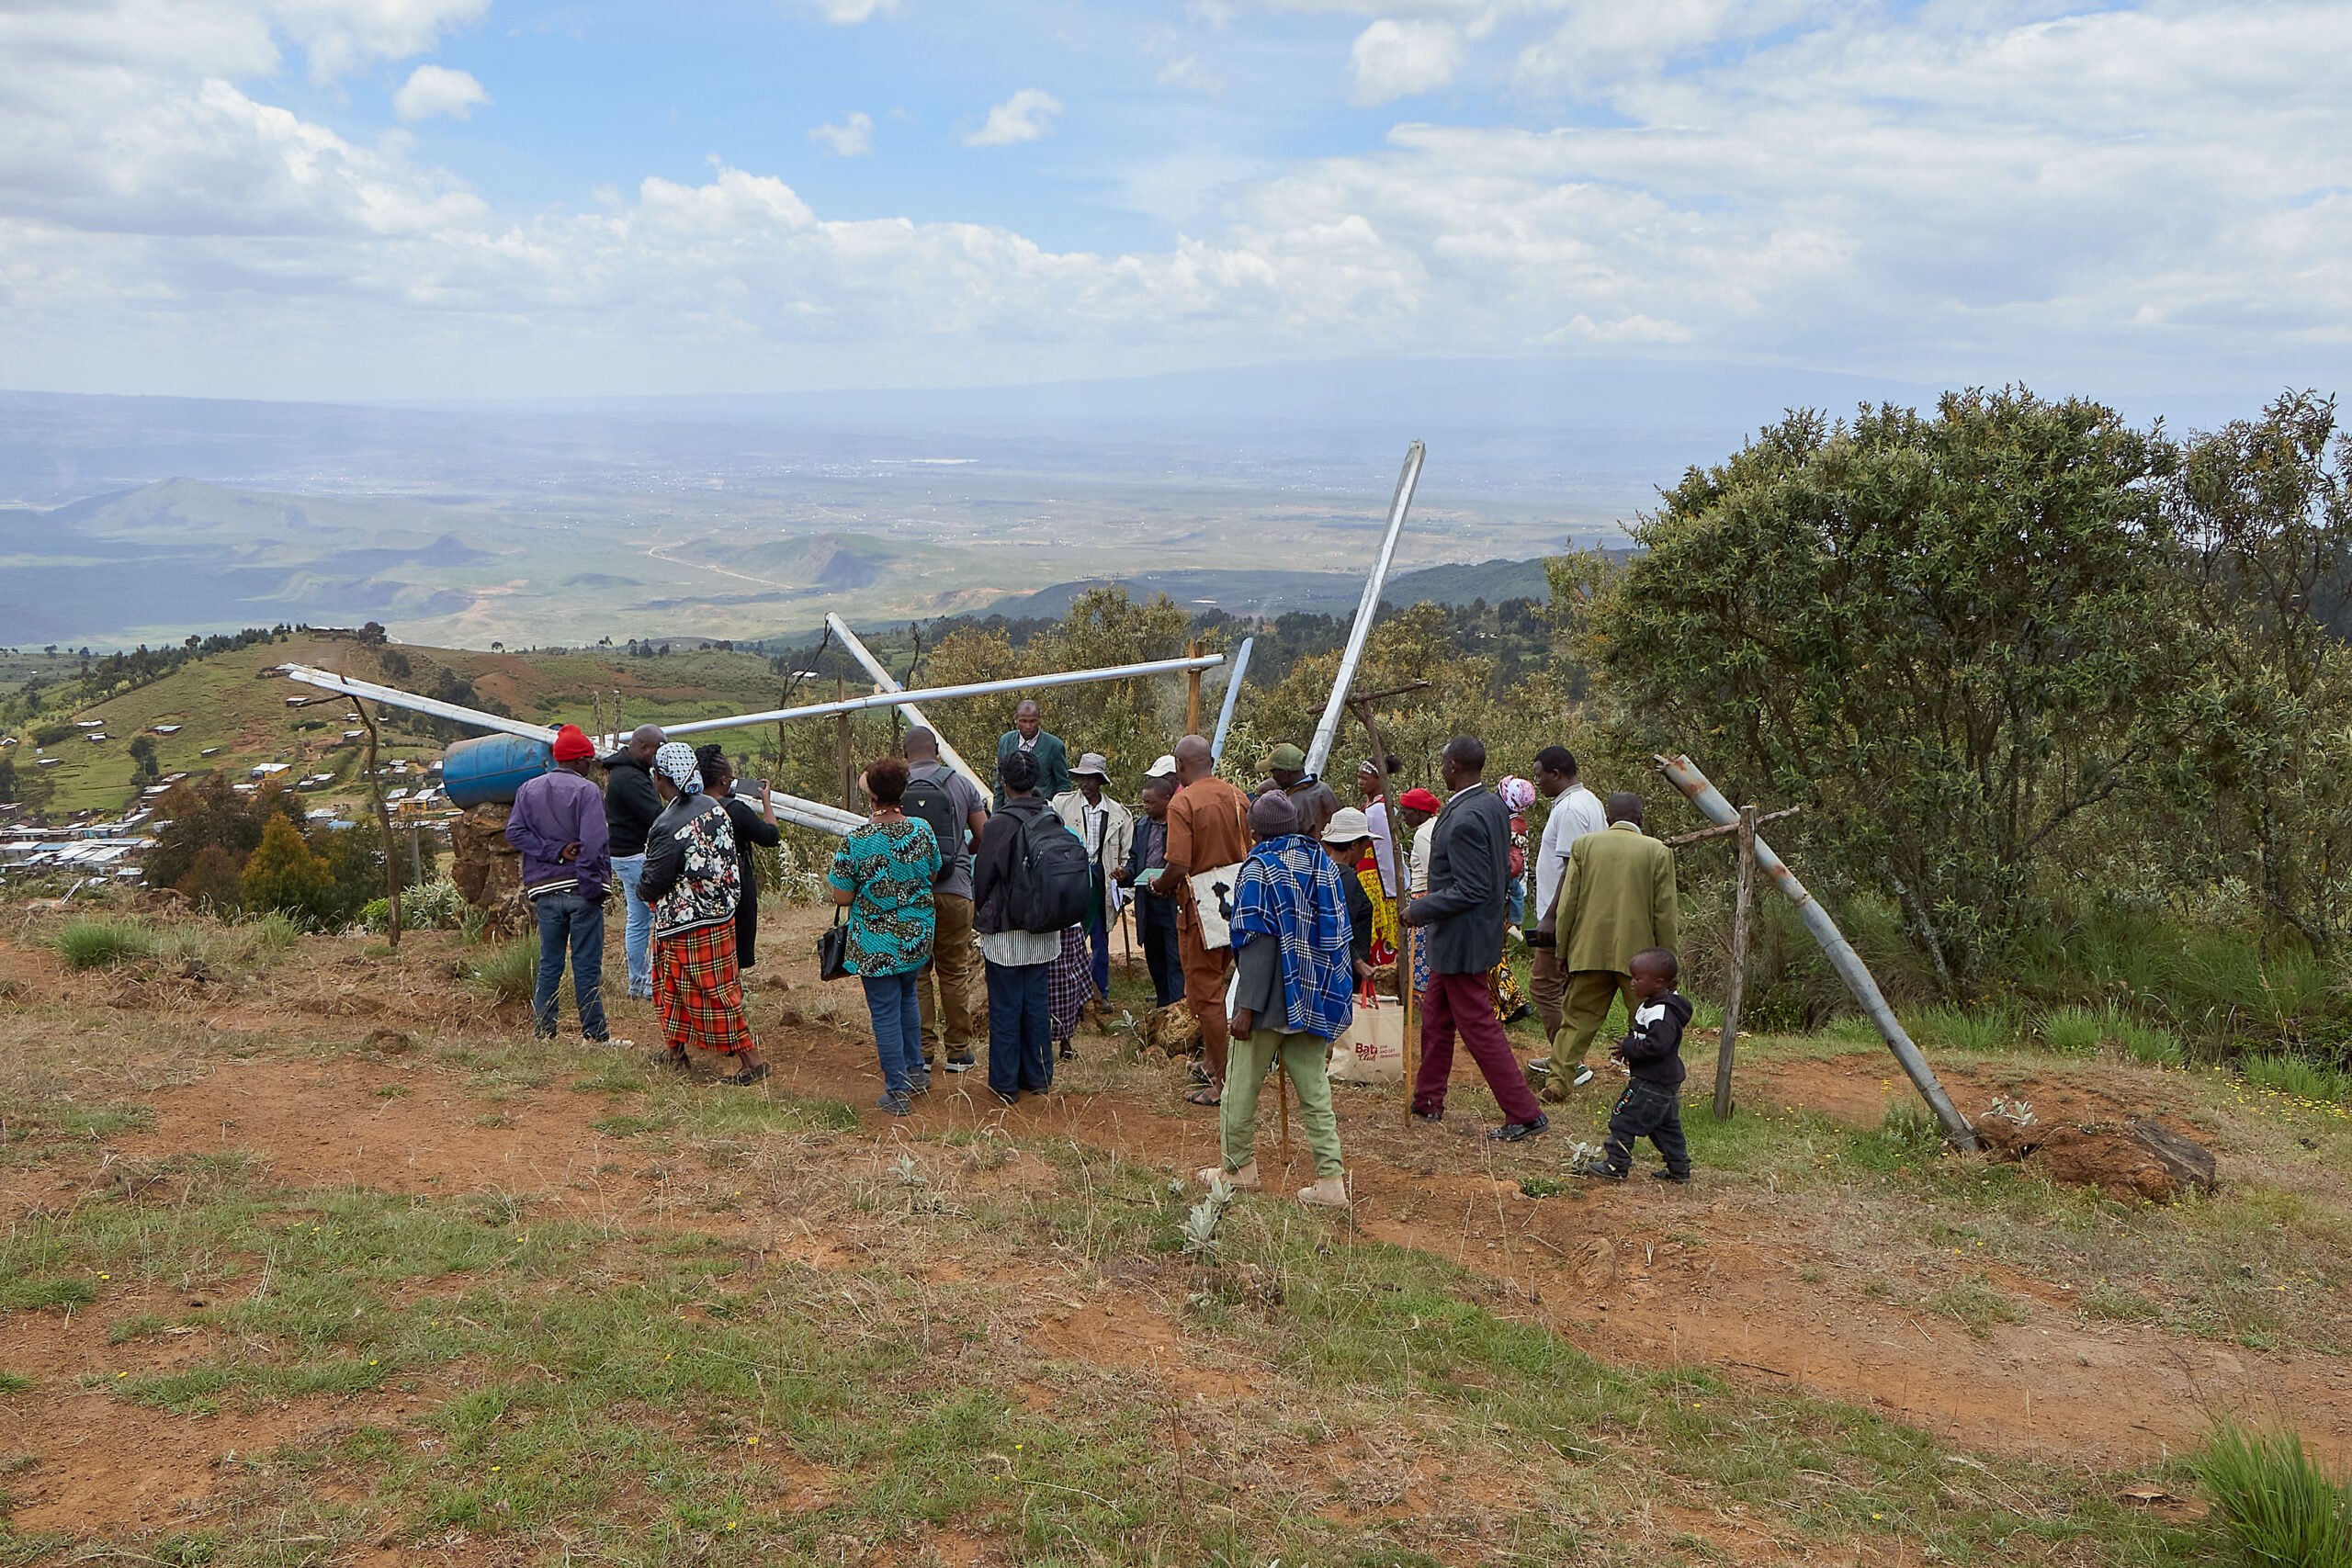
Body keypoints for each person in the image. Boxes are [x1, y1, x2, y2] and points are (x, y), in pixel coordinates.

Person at [1199, 790, 1353, 1208]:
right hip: (1314, 995)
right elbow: (1336, 933)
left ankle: (1237, 1168)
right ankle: (1331, 1181)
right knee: (1316, 1092)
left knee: (1239, 1088)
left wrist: (1245, 1008)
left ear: (1254, 831)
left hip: (1268, 1000)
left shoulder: (1259, 869)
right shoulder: (1321, 862)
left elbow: (1259, 944)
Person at [1400, 738, 1549, 1140]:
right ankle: (1427, 1100)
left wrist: (1421, 909)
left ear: (1453, 766)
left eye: (1444, 761)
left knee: (1480, 1027)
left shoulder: (1467, 817)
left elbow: (1471, 888)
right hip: (1469, 935)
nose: (1442, 768)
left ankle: (1523, 1113)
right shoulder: (1489, 805)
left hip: (1462, 939)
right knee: (1435, 1017)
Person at [1534, 791, 1680, 1090]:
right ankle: (1651, 1084)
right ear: (1640, 819)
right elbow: (1664, 914)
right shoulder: (1657, 852)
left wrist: (1562, 951)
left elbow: (1568, 904)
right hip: (1642, 964)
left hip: (1589, 953)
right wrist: (1669, 965)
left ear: (1609, 819)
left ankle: (1558, 1081)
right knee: (1648, 1021)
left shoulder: (1585, 846)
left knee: (1575, 1020)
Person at [639, 741, 766, 1086]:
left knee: (687, 989)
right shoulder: (713, 806)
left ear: (662, 776)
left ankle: (752, 1062)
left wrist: (642, 890)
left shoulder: (666, 824)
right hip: (721, 915)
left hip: (683, 925)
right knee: (709, 988)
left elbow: (652, 882)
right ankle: (675, 1052)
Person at [826, 757, 943, 1117]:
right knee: (909, 997)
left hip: (876, 943)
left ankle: (896, 1092)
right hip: (917, 936)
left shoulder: (857, 840)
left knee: (884, 1013)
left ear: (873, 796)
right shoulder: (921, 830)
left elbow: (842, 896)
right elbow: (935, 873)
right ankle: (914, 1071)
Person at [1155, 734, 1252, 1106]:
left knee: (1206, 995)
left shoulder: (1183, 802)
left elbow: (1178, 865)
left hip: (1202, 910)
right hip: (1241, 906)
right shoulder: (1236, 795)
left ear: (1180, 767)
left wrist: (1159, 884)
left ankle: (1224, 1083)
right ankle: (1214, 1061)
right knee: (1223, 983)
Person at [504, 723, 613, 1044]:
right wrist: (594, 886)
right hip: (582, 890)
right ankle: (594, 1035)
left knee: (550, 964)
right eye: (589, 761)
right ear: (579, 760)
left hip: (545, 890)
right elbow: (594, 843)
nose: (590, 767)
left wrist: (554, 852)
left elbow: (516, 833)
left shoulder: (527, 789)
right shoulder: (588, 791)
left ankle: (544, 1033)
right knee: (586, 967)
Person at [972, 749, 1059, 1103]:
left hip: (1008, 931)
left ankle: (1006, 1084)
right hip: (1045, 927)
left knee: (1006, 1007)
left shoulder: (999, 824)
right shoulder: (1051, 817)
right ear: (1035, 780)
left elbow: (983, 878)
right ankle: (1038, 1077)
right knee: (1037, 1004)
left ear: (1004, 783)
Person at [903, 728, 989, 1074]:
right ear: (936, 750)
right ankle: (959, 1052)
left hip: (912, 894)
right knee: (954, 970)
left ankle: (923, 1052)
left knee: (919, 973)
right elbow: (983, 833)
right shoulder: (961, 784)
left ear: (905, 752)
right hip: (955, 889)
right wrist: (960, 853)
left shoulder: (897, 785)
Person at [1577, 948, 1693, 1183]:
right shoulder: (1651, 1005)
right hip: (1662, 1081)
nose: (1632, 984)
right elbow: (1646, 1040)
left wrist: (1631, 1048)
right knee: (1665, 1127)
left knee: (1623, 1117)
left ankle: (1616, 1165)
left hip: (1652, 1081)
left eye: (1638, 979)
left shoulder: (1662, 1013)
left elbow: (1657, 1046)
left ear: (1659, 983)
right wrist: (1627, 1049)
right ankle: (1679, 1170)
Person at [1526, 746, 1608, 1045]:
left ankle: (1566, 1061)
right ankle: (1568, 1060)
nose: (1538, 783)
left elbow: (1571, 867)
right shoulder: (1590, 802)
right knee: (1563, 988)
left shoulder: (1571, 809)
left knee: (1543, 987)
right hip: (1578, 914)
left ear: (1556, 774)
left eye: (1539, 776)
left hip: (1563, 917)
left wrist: (1550, 917)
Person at [1050, 751, 1133, 1011]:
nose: (1085, 784)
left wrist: (1125, 884)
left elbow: (1127, 854)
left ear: (1100, 780)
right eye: (1081, 778)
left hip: (1101, 878)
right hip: (1070, 878)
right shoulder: (1061, 805)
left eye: (1091, 778)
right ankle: (1069, 994)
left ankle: (1100, 992)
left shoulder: (1119, 813)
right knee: (1068, 934)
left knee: (1099, 936)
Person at [696, 747, 780, 972]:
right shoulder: (736, 811)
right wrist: (766, 802)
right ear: (723, 781)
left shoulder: (689, 807)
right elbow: (771, 836)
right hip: (736, 886)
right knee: (736, 945)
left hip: (700, 887)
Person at [602, 723, 665, 1000]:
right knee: (650, 917)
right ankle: (645, 983)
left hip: (626, 854)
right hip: (634, 855)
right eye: (658, 749)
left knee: (639, 918)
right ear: (643, 748)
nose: (661, 756)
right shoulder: (630, 778)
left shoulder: (628, 773)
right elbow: (657, 816)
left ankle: (640, 983)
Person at [1117, 772, 1184, 1007]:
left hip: (1171, 901)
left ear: (1167, 799)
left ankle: (1177, 1008)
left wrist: (1169, 882)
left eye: (1150, 802)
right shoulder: (1142, 826)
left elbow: (1182, 861)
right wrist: (1125, 874)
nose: (1145, 806)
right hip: (1148, 901)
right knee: (1154, 956)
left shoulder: (1179, 825)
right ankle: (1163, 1005)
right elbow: (1136, 860)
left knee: (1175, 957)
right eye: (1144, 801)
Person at [1317, 807, 1381, 992]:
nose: (1365, 850)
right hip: (1343, 971)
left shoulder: (1323, 871)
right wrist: (1358, 962)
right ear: (1354, 845)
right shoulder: (1346, 879)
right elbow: (1340, 928)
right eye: (1365, 844)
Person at [1396, 786, 1442, 1000]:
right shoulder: (1436, 827)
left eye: (1406, 813)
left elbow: (1432, 869)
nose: (1404, 818)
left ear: (1420, 812)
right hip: (1428, 896)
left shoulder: (1423, 834)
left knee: (1419, 953)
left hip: (1423, 896)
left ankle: (1421, 998)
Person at [994, 700, 1070, 808]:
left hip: (1041, 811)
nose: (1028, 726)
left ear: (1039, 720)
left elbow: (1063, 786)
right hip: (1010, 810)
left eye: (1032, 721)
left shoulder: (1054, 746)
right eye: (1023, 721)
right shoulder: (1005, 741)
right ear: (1016, 719)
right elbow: (999, 783)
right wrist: (995, 816)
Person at [1260, 742, 1340, 839]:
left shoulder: (1290, 805)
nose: (1273, 777)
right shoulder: (1325, 789)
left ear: (1284, 773)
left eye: (1273, 772)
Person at [1356, 755, 1404, 897]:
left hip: (1377, 878)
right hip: (1367, 872)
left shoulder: (1378, 810)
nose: (1359, 782)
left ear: (1378, 780)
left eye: (1365, 779)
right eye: (1359, 777)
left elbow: (1385, 849)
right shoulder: (1370, 807)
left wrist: (1390, 887)